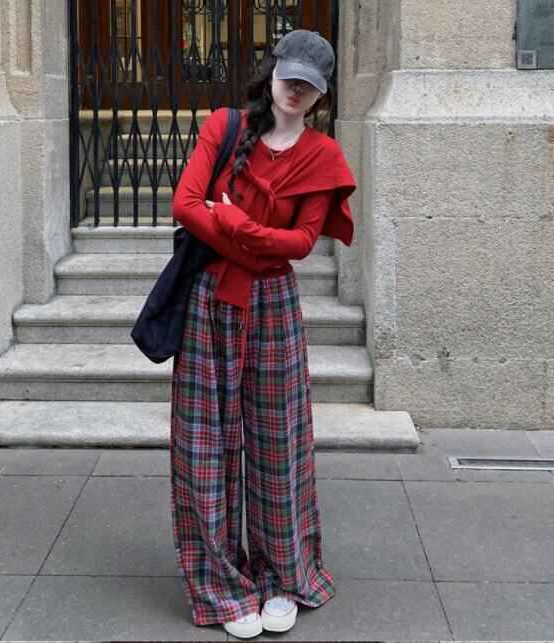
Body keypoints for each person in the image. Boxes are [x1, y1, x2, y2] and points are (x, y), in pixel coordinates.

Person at [170, 28, 357, 639]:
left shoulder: (323, 156)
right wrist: (253, 242)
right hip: (208, 302)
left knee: (279, 444)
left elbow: (300, 244)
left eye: (309, 85)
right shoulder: (223, 127)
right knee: (204, 445)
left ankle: (282, 575)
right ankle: (222, 583)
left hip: (272, 306)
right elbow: (184, 205)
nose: (295, 90)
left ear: (322, 93)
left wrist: (230, 221)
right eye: (289, 76)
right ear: (271, 70)